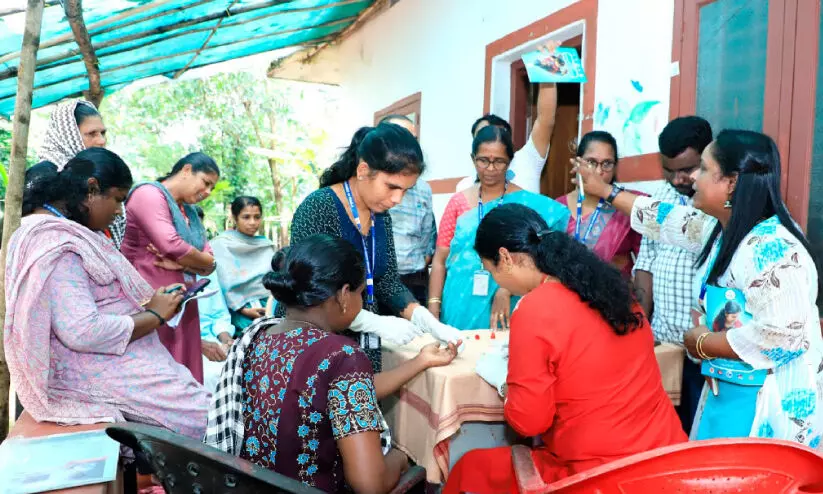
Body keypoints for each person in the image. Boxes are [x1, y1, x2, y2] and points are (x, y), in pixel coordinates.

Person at [574, 129, 823, 446]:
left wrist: (704, 342)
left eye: (703, 169)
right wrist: (606, 192)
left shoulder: (774, 249)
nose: (693, 178)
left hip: (769, 404)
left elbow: (782, 336)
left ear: (731, 183)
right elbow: (665, 218)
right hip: (727, 390)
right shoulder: (718, 229)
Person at [443, 204, 685, 492]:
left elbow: (529, 421)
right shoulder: (612, 292)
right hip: (667, 456)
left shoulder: (535, 308)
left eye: (490, 270)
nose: (497, 282)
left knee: (470, 469)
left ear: (505, 258)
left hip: (600, 473)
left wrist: (506, 383)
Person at [205, 234, 458, 492]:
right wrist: (403, 458)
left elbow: (338, 391)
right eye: (361, 293)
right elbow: (370, 484)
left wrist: (420, 361)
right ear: (345, 294)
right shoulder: (342, 355)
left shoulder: (258, 336)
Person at [5, 148, 209, 438]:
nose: (118, 211)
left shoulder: (63, 231)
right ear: (91, 189)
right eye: (117, 199)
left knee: (201, 403)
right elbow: (82, 331)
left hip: (116, 357)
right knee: (205, 418)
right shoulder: (56, 244)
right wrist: (154, 315)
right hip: (95, 367)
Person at [281, 123, 462, 372]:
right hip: (314, 343)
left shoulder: (380, 215)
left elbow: (387, 282)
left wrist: (428, 320)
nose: (397, 199)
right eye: (392, 187)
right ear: (364, 170)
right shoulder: (319, 207)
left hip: (360, 342)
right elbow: (310, 290)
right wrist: (373, 322)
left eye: (405, 191)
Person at [429, 125, 568, 330]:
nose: (491, 168)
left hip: (505, 301)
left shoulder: (524, 202)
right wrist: (434, 307)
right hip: (459, 301)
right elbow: (440, 259)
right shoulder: (459, 202)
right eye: (483, 160)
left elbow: (545, 255)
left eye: (499, 161)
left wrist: (505, 290)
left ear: (510, 161)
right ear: (473, 158)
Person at [633, 116, 713, 434]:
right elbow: (646, 263)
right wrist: (641, 325)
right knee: (660, 435)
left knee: (696, 436)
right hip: (663, 346)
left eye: (687, 169)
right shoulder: (660, 199)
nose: (678, 179)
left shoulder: (718, 204)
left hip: (703, 353)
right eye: (669, 170)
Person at [121, 152, 220, 383]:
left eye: (212, 189)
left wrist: (185, 261)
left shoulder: (190, 212)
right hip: (151, 302)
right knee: (159, 377)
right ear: (186, 170)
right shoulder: (149, 194)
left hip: (184, 303)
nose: (207, 193)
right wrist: (196, 260)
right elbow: (171, 244)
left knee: (187, 376)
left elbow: (211, 260)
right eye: (206, 183)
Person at [456, 42, 560, 194]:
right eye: (483, 136)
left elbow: (546, 119)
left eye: (498, 136)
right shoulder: (464, 187)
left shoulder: (527, 160)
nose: (491, 141)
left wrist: (548, 70)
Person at [36, 99, 127, 248]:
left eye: (103, 133)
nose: (101, 141)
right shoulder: (49, 176)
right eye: (92, 134)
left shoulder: (95, 172)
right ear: (67, 135)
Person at [556, 130, 641, 278]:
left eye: (607, 163)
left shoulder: (627, 207)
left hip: (615, 295)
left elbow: (645, 264)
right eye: (591, 162)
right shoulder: (557, 208)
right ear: (577, 162)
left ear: (615, 167)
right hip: (567, 296)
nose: (598, 171)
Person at [381, 115, 437, 306]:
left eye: (413, 138)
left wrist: (420, 261)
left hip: (414, 281)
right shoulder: (369, 185)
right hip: (376, 280)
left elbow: (427, 235)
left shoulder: (423, 189)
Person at [211, 196, 276, 331]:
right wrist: (242, 310)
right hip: (236, 307)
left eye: (257, 217)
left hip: (270, 303)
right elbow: (223, 283)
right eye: (246, 217)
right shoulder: (221, 244)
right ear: (235, 218)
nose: (252, 222)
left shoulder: (266, 245)